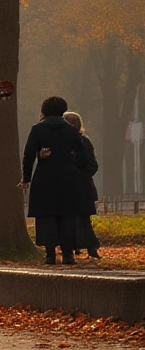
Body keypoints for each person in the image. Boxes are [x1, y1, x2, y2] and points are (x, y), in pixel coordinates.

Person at [20, 97, 86, 265]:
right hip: (68, 179)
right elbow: (83, 156)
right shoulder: (71, 131)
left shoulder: (38, 130)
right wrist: (73, 163)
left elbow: (28, 155)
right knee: (67, 216)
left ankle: (50, 254)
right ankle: (68, 254)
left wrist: (26, 177)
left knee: (46, 215)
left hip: (45, 178)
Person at [64, 111, 101, 259]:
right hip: (83, 187)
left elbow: (92, 165)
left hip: (76, 187)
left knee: (76, 219)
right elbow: (93, 166)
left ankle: (83, 247)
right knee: (83, 219)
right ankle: (88, 247)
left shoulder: (73, 143)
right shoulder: (85, 141)